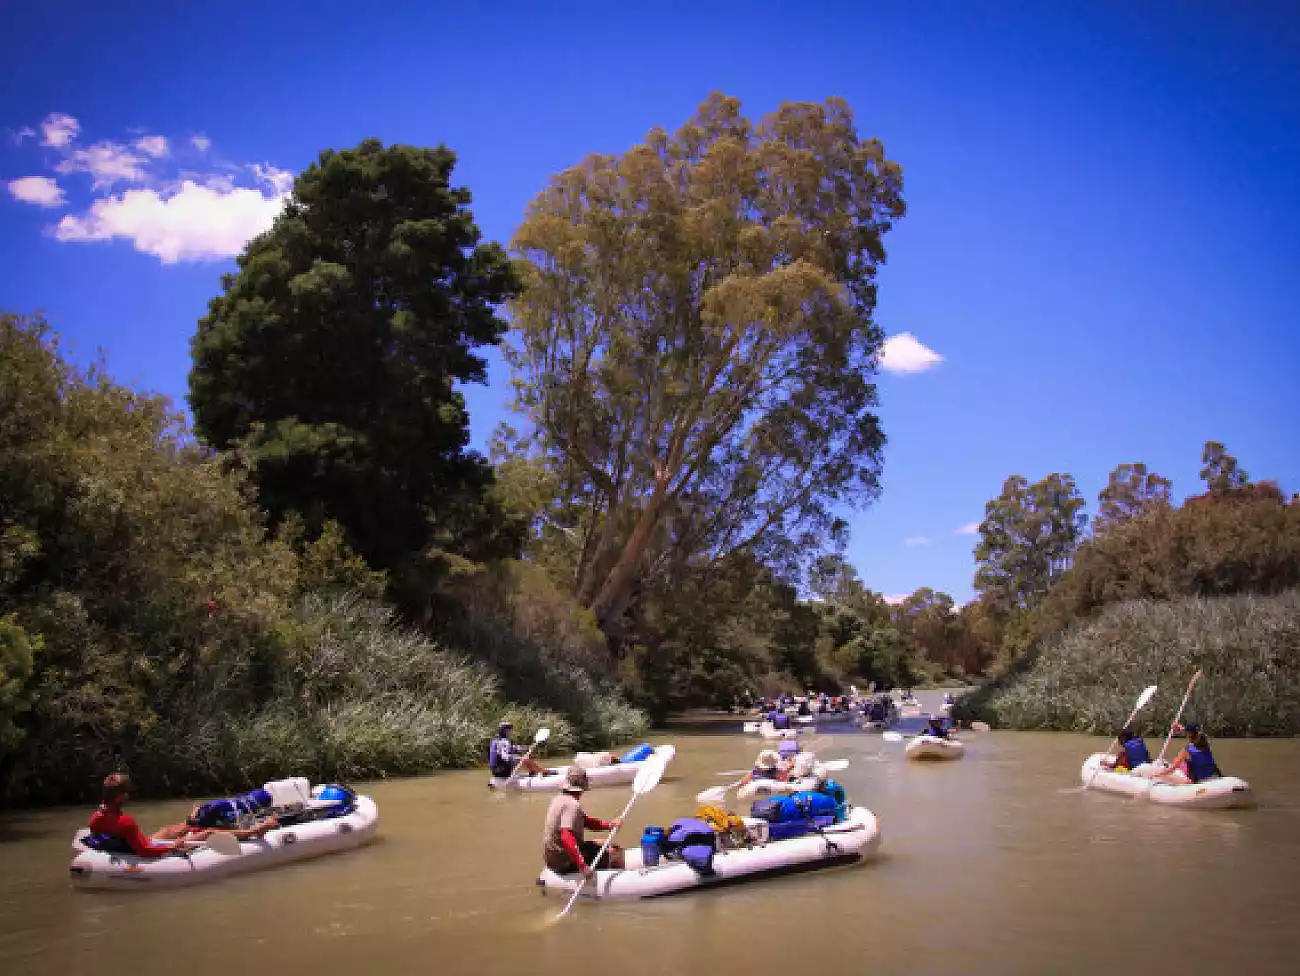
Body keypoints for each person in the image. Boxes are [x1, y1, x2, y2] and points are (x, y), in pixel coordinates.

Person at [542, 767, 624, 877]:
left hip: (553, 858)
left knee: (603, 843)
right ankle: (615, 881)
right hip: (564, 861)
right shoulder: (572, 805)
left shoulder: (558, 799)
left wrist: (609, 825)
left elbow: (586, 821)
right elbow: (566, 836)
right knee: (615, 851)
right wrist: (582, 866)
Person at [1157, 723, 1223, 783]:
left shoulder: (1186, 751)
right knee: (1182, 762)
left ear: (1188, 734)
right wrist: (1180, 728)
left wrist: (1156, 775)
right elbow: (1195, 732)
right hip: (1215, 776)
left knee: (1176, 764)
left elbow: (1172, 769)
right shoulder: (1206, 745)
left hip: (1200, 781)